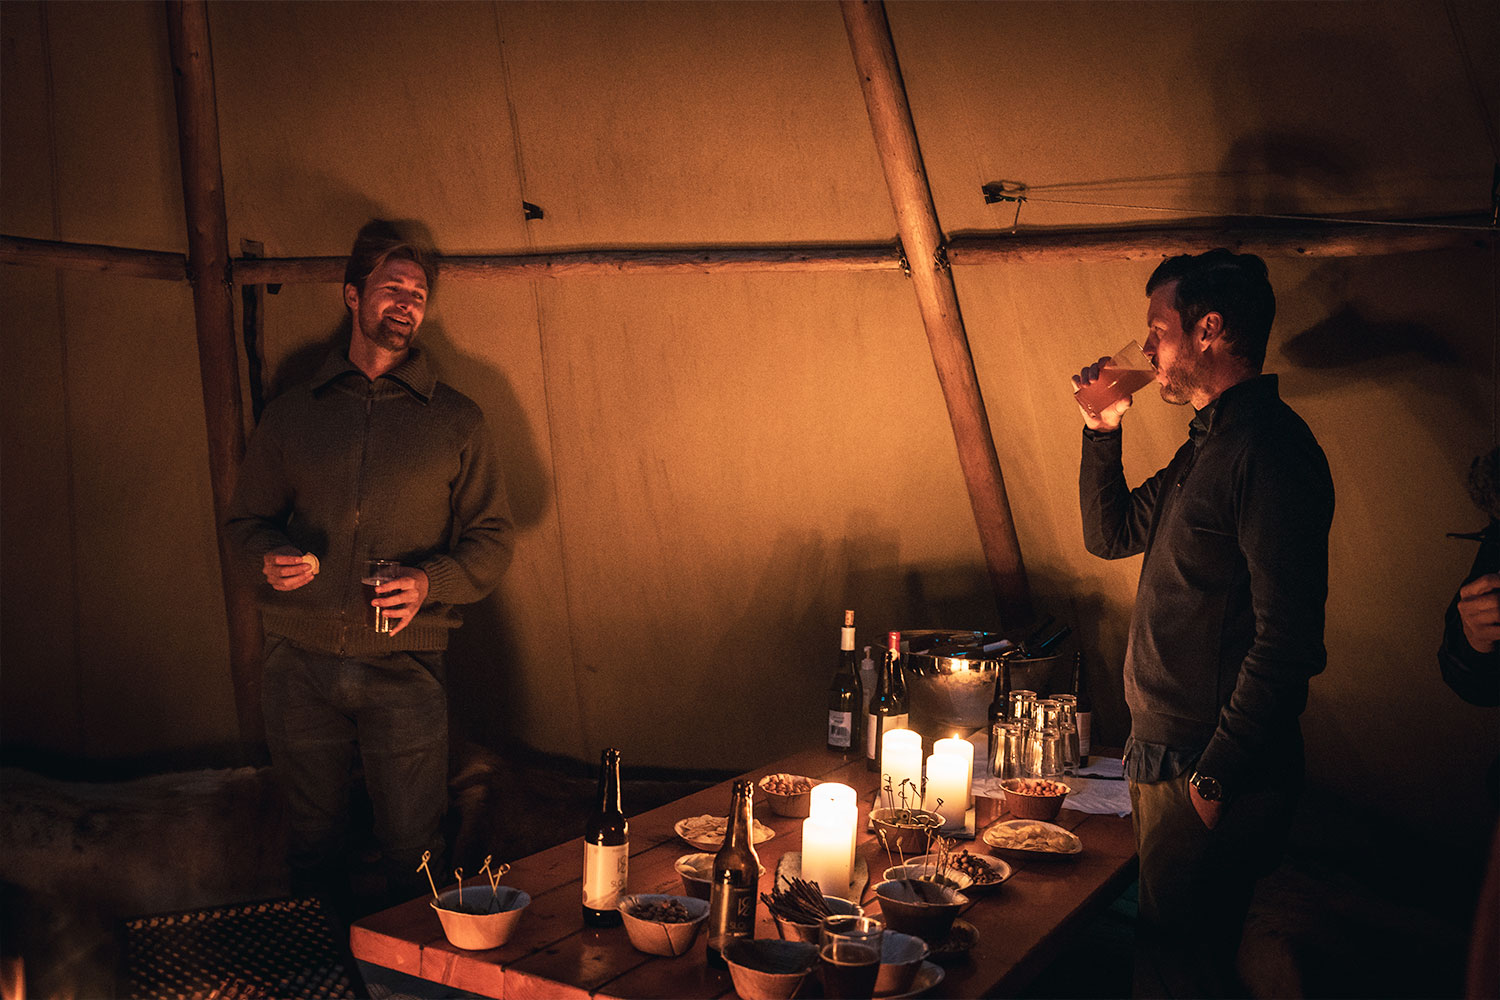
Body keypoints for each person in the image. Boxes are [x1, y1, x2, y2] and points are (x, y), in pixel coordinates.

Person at [225, 220, 515, 912]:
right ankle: (322, 966)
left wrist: (429, 582)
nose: (407, 303)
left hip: (405, 665)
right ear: (352, 295)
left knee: (416, 853)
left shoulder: (456, 420)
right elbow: (244, 525)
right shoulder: (294, 414)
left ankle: (406, 971)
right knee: (311, 848)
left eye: (418, 293)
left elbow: (494, 537)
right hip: (298, 665)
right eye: (393, 287)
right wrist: (268, 559)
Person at [1074, 249, 1334, 997]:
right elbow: (1110, 533)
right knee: (1165, 965)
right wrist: (1101, 429)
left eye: (1158, 330)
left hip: (1208, 766)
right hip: (1166, 758)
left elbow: (1288, 641)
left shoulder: (1268, 450)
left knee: (1178, 979)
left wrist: (1216, 777)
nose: (1146, 347)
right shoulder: (1207, 448)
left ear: (1208, 328)